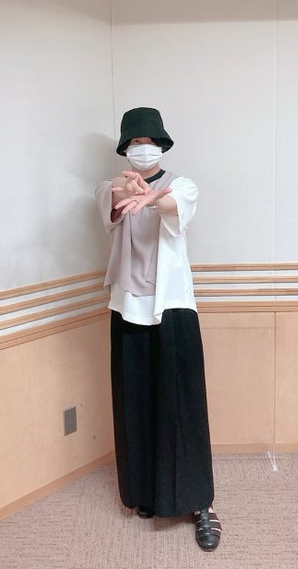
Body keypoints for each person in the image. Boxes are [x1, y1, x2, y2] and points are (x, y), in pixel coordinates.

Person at [95, 107, 222, 552]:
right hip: (127, 305)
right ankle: (147, 492)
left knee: (182, 403)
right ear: (125, 148)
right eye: (134, 141)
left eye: (149, 141)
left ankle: (201, 503)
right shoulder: (110, 186)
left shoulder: (182, 185)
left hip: (172, 307)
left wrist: (151, 197)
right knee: (136, 402)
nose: (142, 147)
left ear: (162, 145)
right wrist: (128, 189)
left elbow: (172, 206)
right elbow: (113, 202)